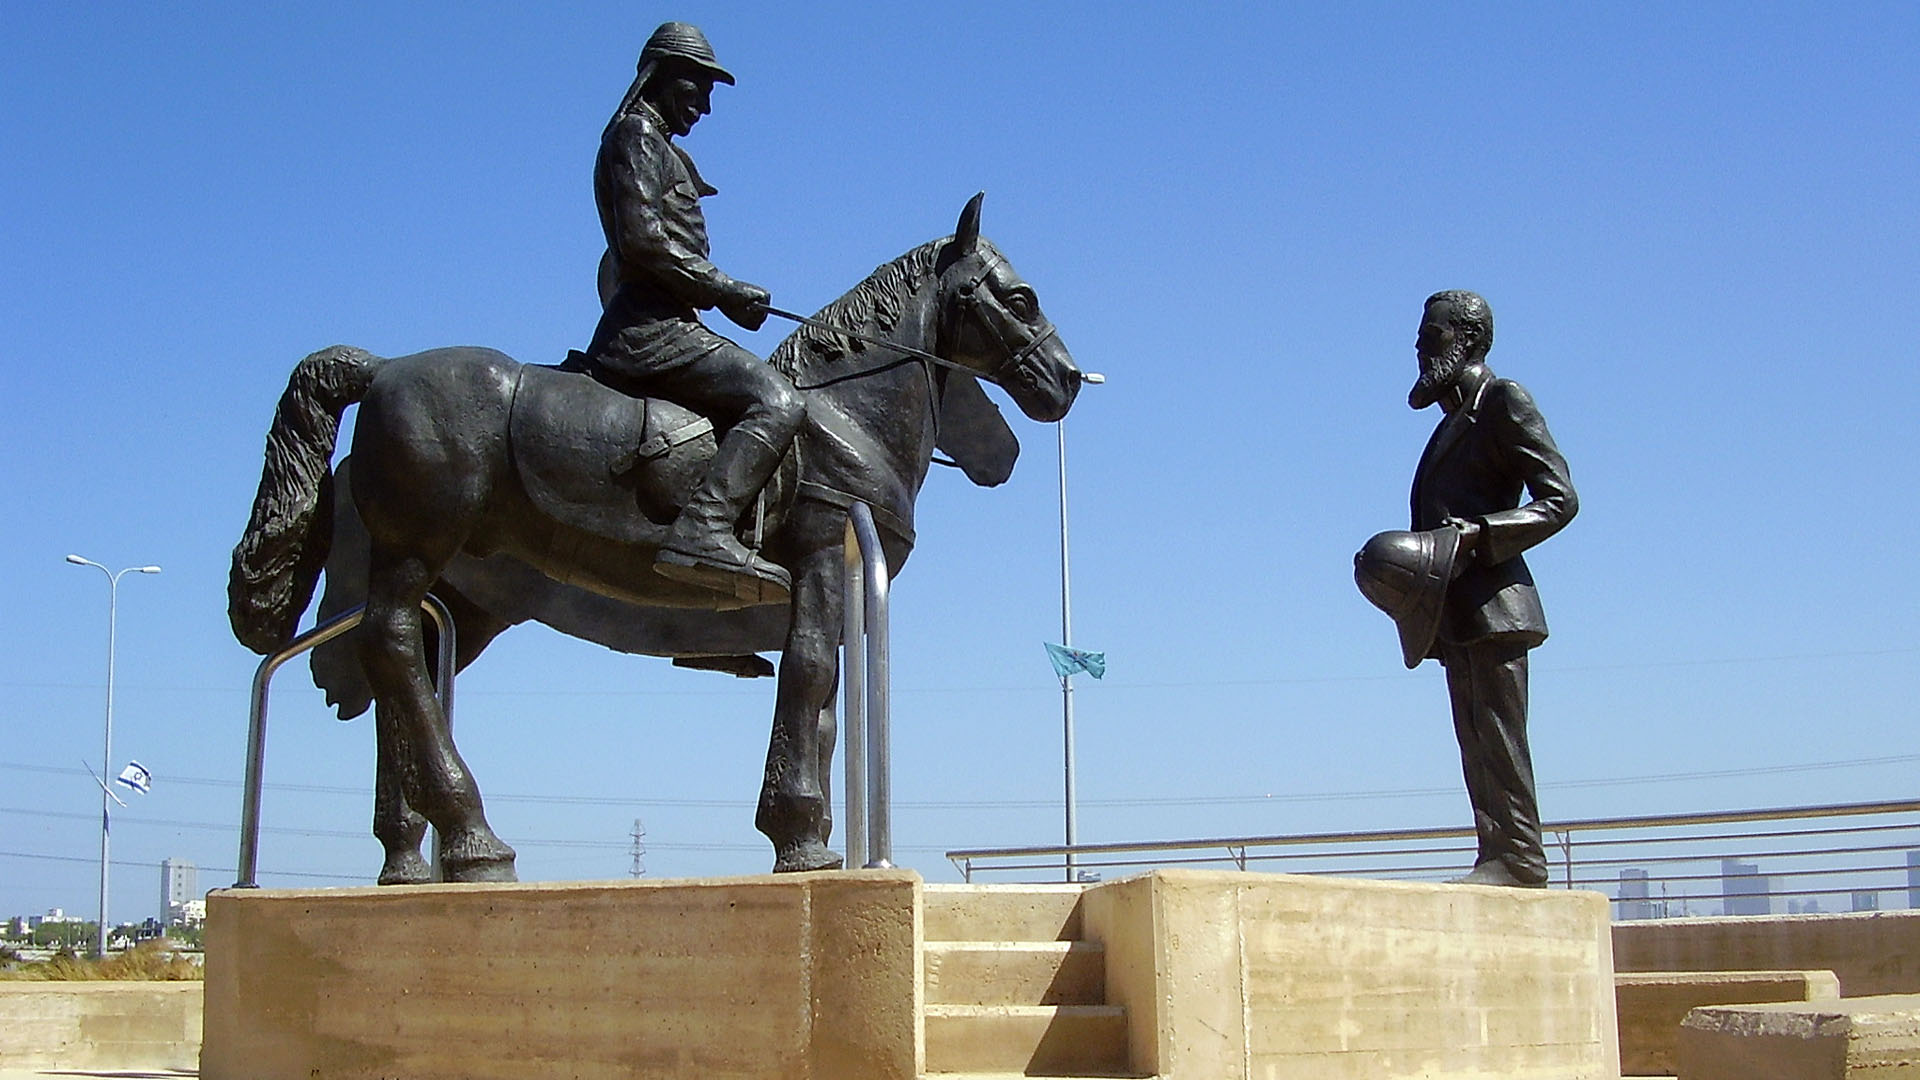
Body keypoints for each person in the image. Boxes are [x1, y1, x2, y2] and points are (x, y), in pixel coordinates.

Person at [1356, 290, 1578, 887]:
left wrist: (1480, 535)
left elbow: (1559, 500)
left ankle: (1522, 860)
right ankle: (1496, 855)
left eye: (1432, 335)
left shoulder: (1503, 401)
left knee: (1501, 741)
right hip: (1453, 609)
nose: (1420, 346)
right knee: (1474, 742)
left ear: (1470, 339)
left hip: (1497, 606)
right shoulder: (1449, 424)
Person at [583, 21, 802, 604]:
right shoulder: (635, 137)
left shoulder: (659, 147)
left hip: (675, 323)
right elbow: (643, 243)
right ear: (661, 77)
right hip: (650, 331)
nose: (704, 106)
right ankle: (703, 528)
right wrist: (725, 289)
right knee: (778, 401)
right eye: (697, 88)